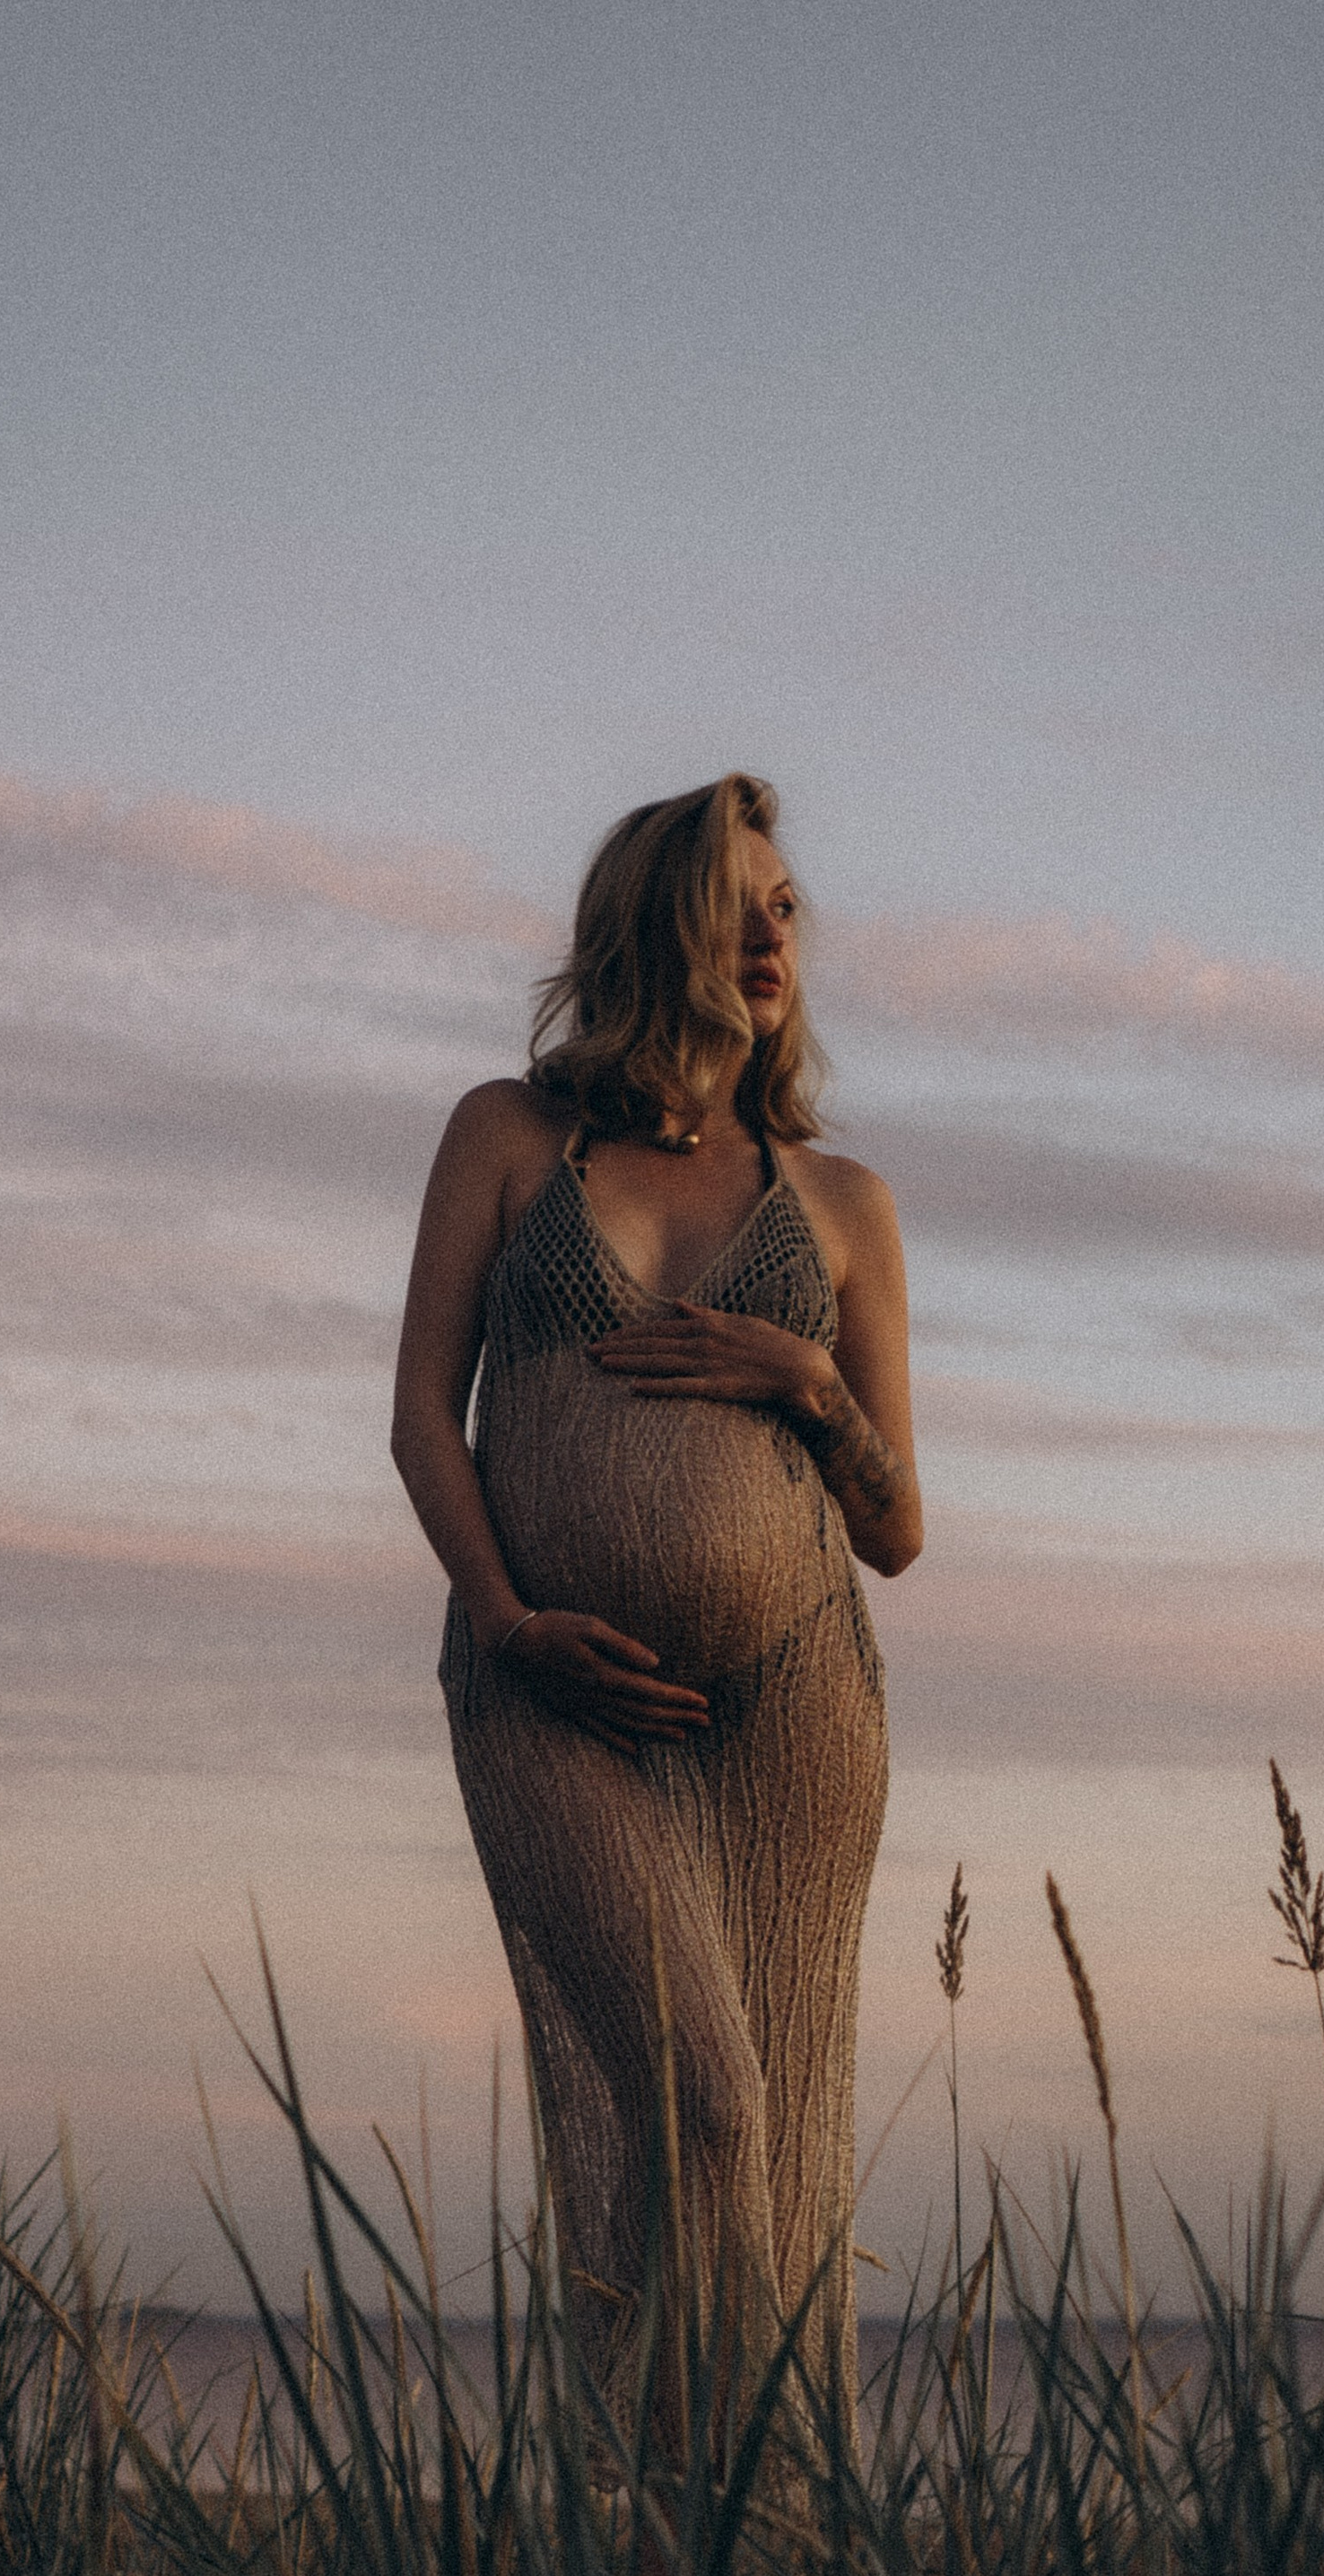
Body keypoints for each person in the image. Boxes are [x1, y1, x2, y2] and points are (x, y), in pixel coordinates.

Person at [391, 773, 920, 2465]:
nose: (776, 935)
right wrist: (505, 1616)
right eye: (739, 901)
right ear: (653, 921)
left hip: (792, 1700)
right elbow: (421, 1412)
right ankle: (704, 2523)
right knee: (699, 2100)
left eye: (789, 910)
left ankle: (707, 2551)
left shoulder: (839, 1204)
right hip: (546, 1682)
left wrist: (812, 1384)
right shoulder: (506, 1135)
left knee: (764, 2134)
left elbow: (897, 1527)